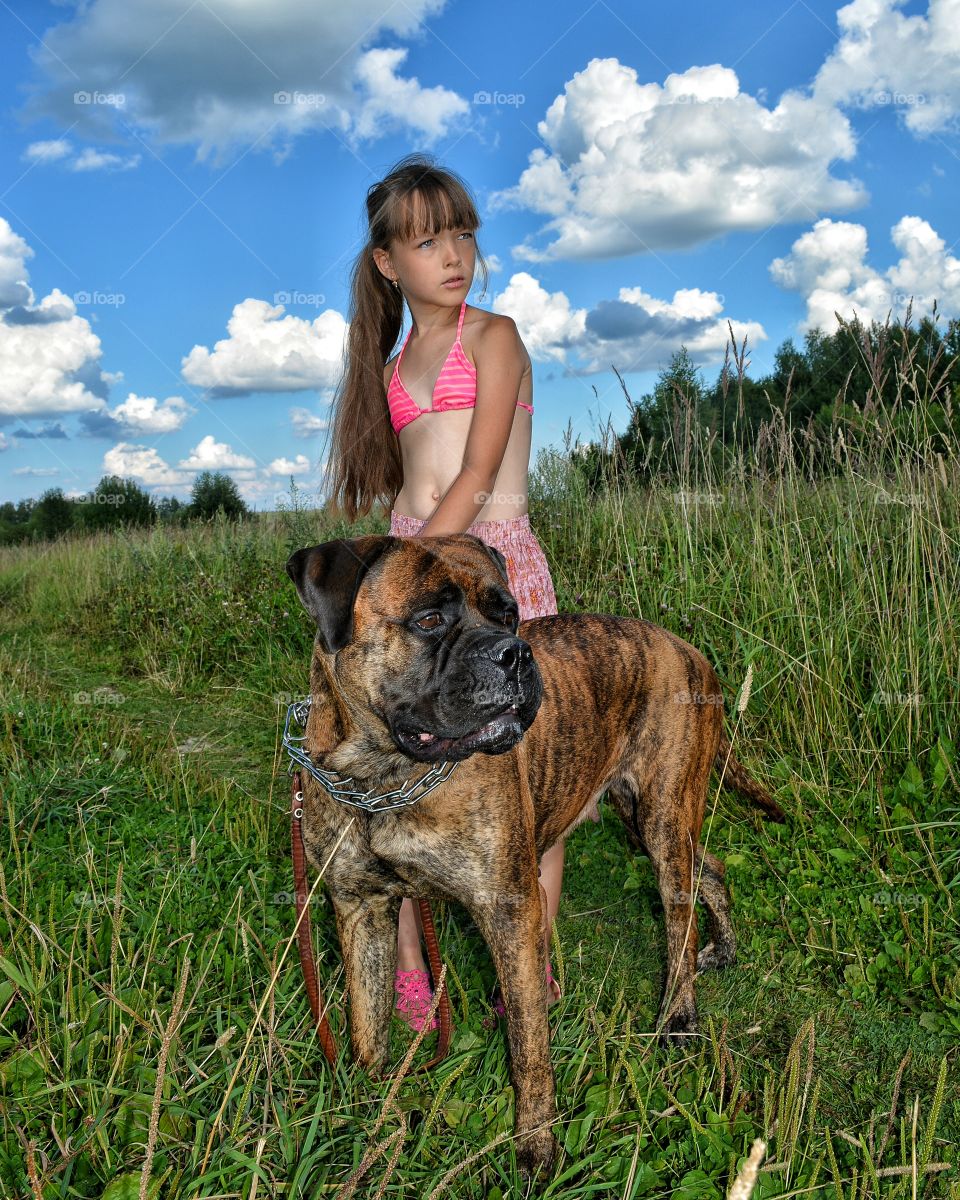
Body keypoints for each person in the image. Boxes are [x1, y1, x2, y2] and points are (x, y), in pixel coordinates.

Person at [323, 152, 565, 1031]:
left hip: (484, 566)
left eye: (462, 232)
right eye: (429, 240)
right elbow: (408, 486)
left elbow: (476, 470)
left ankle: (531, 966)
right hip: (418, 582)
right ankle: (411, 971)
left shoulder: (492, 338)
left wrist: (414, 565)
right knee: (410, 769)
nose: (454, 253)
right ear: (389, 262)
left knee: (522, 771)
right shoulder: (389, 371)